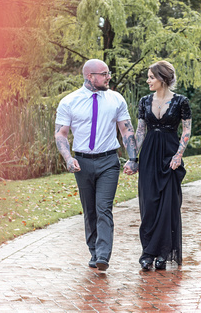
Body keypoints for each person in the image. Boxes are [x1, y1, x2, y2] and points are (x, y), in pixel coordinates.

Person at [54, 59, 139, 271]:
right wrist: (67, 158)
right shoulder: (69, 102)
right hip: (82, 162)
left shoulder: (116, 99)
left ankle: (103, 255)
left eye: (108, 73)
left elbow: (126, 130)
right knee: (89, 210)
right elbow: (61, 134)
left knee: (103, 208)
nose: (108, 76)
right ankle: (94, 252)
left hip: (109, 161)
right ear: (90, 77)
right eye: (104, 73)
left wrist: (133, 158)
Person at [135, 60, 192, 270]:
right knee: (149, 204)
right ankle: (147, 252)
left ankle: (162, 253)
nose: (148, 80)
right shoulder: (143, 101)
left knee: (167, 206)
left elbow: (186, 131)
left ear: (163, 78)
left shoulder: (181, 102)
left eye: (151, 77)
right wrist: (133, 157)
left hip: (170, 155)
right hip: (149, 154)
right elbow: (140, 131)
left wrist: (178, 155)